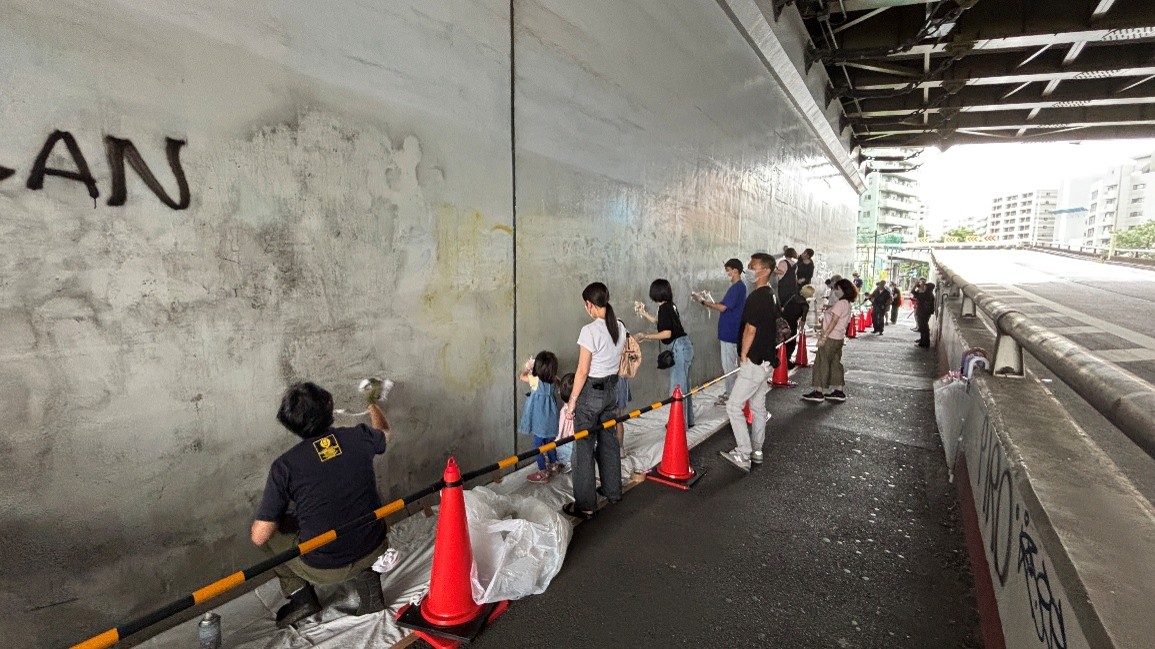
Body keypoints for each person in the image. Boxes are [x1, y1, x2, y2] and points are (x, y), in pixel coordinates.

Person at [251, 381, 392, 628]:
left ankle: (301, 597)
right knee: (352, 510)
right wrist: (372, 403)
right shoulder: (357, 437)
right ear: (330, 406)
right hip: (375, 544)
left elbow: (260, 537)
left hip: (325, 568)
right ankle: (369, 584)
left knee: (268, 533)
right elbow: (385, 432)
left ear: (289, 423)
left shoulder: (285, 467)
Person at [563, 282, 626, 520]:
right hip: (612, 390)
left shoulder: (589, 331)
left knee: (583, 448)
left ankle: (586, 505)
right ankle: (613, 491)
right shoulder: (619, 326)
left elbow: (582, 371)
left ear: (589, 304)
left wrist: (572, 404)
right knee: (609, 442)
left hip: (591, 393)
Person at [719, 252, 780, 472]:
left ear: (765, 270)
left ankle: (743, 454)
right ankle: (757, 450)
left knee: (733, 406)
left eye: (752, 266)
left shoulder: (757, 297)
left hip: (754, 362)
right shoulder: (772, 295)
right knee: (757, 406)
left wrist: (743, 355)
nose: (750, 269)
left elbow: (750, 329)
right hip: (766, 362)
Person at [637, 279, 695, 429]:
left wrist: (645, 336)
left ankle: (678, 425)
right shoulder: (670, 306)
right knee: (684, 388)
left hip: (679, 348)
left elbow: (666, 333)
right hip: (684, 346)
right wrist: (644, 313)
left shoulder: (664, 308)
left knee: (677, 389)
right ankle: (687, 421)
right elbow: (660, 322)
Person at [697, 258, 747, 405]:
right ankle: (731, 392)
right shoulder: (739, 287)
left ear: (736, 271)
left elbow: (722, 307)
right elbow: (724, 305)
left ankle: (732, 395)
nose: (727, 274)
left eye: (729, 271)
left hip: (729, 332)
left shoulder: (737, 287)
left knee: (729, 365)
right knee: (729, 364)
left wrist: (702, 301)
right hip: (730, 331)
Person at [801, 278, 856, 403]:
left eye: (836, 289)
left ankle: (819, 391)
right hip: (839, 337)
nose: (835, 291)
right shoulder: (846, 303)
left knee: (821, 362)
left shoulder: (840, 303)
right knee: (835, 363)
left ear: (842, 289)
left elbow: (834, 321)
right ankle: (839, 390)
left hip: (831, 337)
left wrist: (824, 336)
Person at [519, 351, 561, 483]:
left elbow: (521, 377)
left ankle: (542, 471)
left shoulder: (535, 380)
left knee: (538, 447)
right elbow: (558, 380)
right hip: (551, 418)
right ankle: (553, 465)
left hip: (539, 419)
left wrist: (528, 370)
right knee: (550, 443)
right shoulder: (554, 379)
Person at [775, 248, 806, 367]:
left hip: (784, 301)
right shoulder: (795, 265)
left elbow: (780, 274)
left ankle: (781, 357)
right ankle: (787, 357)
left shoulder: (783, 263)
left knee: (782, 328)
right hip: (791, 300)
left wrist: (770, 269)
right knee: (791, 328)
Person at [554, 373, 575, 470]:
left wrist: (556, 442)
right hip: (581, 443)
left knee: (553, 451)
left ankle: (567, 462)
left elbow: (561, 430)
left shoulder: (564, 411)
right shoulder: (580, 407)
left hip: (569, 443)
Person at [911, 280, 936, 348]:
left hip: (923, 312)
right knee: (924, 327)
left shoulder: (926, 295)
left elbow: (913, 292)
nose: (924, 287)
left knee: (923, 328)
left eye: (925, 287)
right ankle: (923, 341)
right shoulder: (930, 294)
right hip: (926, 312)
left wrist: (916, 285)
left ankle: (924, 343)